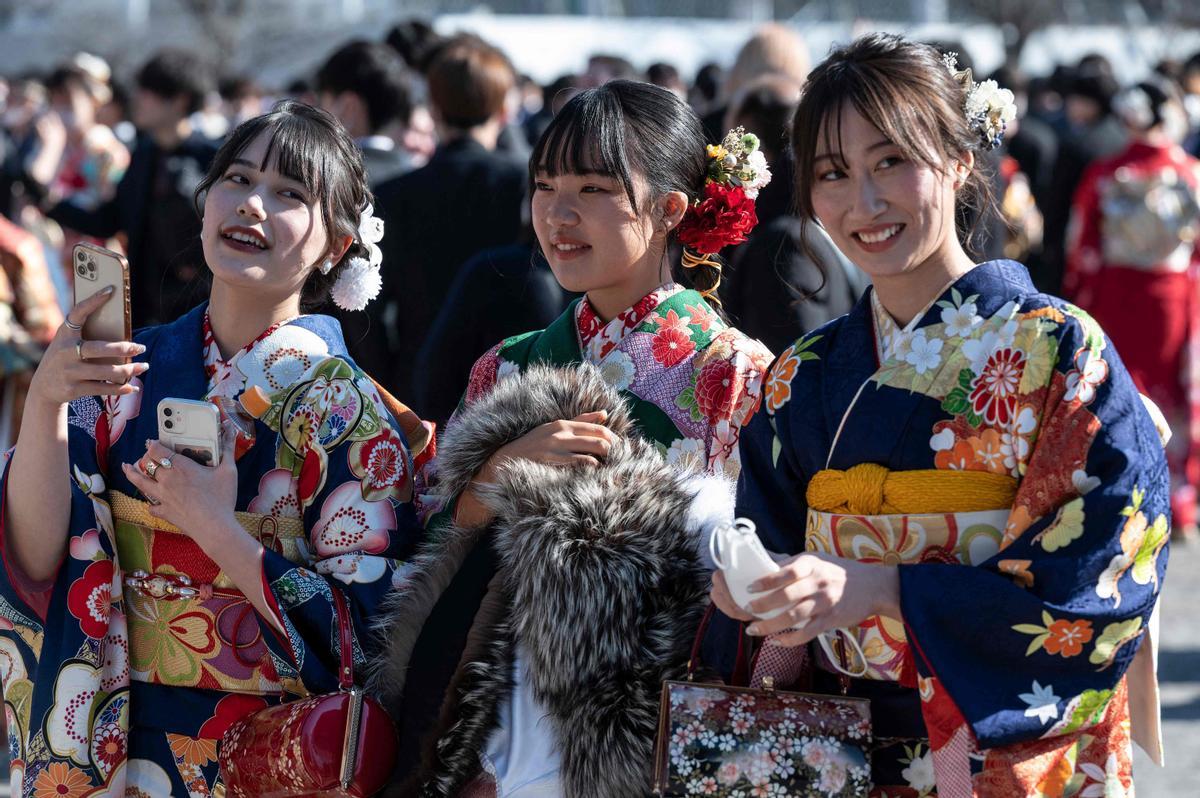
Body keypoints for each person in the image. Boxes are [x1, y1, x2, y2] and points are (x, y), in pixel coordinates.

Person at [706, 34, 1169, 795]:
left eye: (891, 160)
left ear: (958, 158)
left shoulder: (1057, 348)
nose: (865, 202)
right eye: (832, 173)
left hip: (995, 744)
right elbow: (769, 533)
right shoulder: (803, 373)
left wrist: (888, 588)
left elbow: (1103, 567)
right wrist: (754, 590)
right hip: (842, 741)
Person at [0, 101, 428, 795]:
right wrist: (48, 403)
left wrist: (217, 530)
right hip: (118, 732)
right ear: (204, 208)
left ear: (338, 246)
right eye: (237, 179)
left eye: (289, 193)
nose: (252, 205)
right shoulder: (129, 372)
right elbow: (35, 561)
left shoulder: (348, 413)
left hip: (262, 750)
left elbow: (371, 635)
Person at [371, 79, 775, 795]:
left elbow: (758, 572)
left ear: (670, 209)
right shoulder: (509, 364)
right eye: (545, 184)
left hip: (654, 727)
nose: (558, 213)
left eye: (593, 188)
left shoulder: (735, 373)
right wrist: (494, 477)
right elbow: (431, 551)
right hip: (493, 733)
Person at [1065, 78, 1200, 542]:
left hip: (1116, 292)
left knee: (1122, 387)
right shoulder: (1190, 172)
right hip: (1175, 293)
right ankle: (1178, 499)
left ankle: (1125, 493)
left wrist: (1078, 292)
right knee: (1174, 395)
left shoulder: (1106, 173)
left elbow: (1082, 244)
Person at [374, 35, 527, 407]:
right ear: (504, 111)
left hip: (413, 385)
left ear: (434, 110)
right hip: (508, 387)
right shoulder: (526, 184)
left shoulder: (394, 191)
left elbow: (371, 309)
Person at [47, 48, 219, 327]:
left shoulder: (213, 159)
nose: (138, 99)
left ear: (179, 100)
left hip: (200, 311)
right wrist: (48, 202)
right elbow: (109, 221)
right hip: (146, 308)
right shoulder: (143, 154)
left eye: (149, 91)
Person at [316, 40, 417, 189]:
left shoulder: (330, 182)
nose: (318, 114)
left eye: (323, 103)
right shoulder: (415, 170)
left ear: (349, 107)